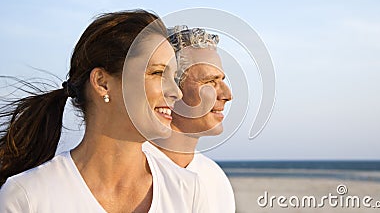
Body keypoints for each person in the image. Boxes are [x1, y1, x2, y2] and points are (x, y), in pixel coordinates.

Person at [0, 11, 208, 212]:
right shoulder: (28, 197)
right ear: (102, 82)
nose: (176, 93)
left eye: (174, 78)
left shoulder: (187, 192)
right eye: (157, 73)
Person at [143, 26, 236, 213]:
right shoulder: (131, 170)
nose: (227, 95)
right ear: (170, 88)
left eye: (222, 81)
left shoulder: (215, 178)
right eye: (210, 81)